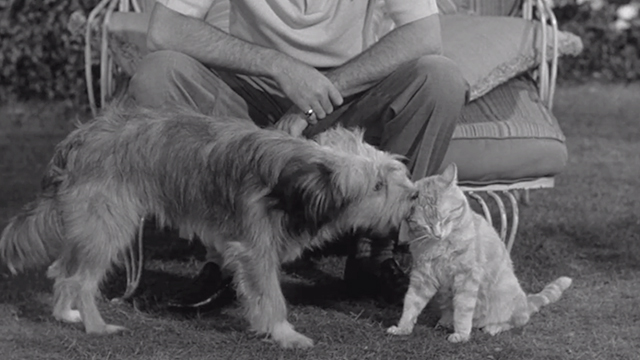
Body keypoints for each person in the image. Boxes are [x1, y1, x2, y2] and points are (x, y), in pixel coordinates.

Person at [128, 0, 469, 308]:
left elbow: (424, 35)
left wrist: (316, 97)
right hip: (251, 97)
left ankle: (375, 251)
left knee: (440, 79)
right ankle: (225, 253)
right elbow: (165, 29)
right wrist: (280, 66)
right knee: (157, 74)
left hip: (350, 93)